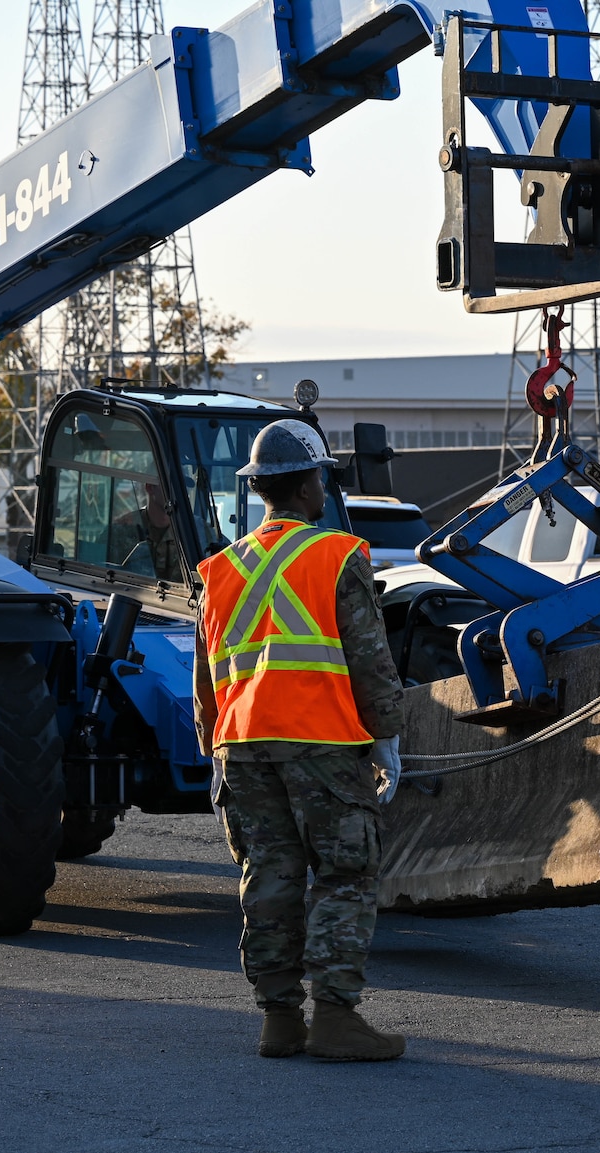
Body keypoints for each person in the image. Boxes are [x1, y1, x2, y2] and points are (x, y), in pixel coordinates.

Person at [192, 419, 409, 1062]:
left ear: (259, 488)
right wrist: (387, 737)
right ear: (312, 484)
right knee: (345, 871)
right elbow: (370, 660)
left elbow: (205, 671)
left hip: (243, 745)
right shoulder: (337, 555)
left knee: (270, 874)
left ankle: (279, 1019)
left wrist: (213, 744)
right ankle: (336, 1016)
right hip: (321, 741)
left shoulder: (220, 568)